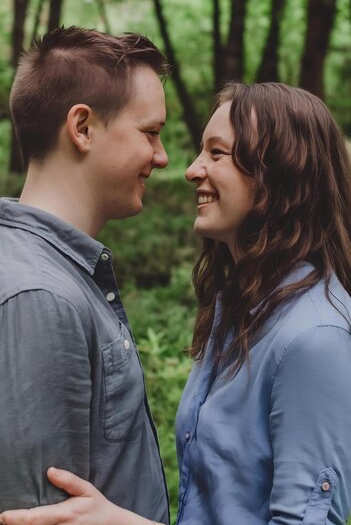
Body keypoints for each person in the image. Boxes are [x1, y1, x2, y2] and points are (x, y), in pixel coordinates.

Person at [1, 82, 351, 525]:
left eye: (217, 153)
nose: (191, 169)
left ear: (279, 173)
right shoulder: (239, 310)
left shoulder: (314, 338)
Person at [0, 27, 170, 525]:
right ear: (83, 128)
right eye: (150, 132)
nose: (161, 157)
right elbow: (35, 516)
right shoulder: (40, 296)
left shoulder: (56, 272)